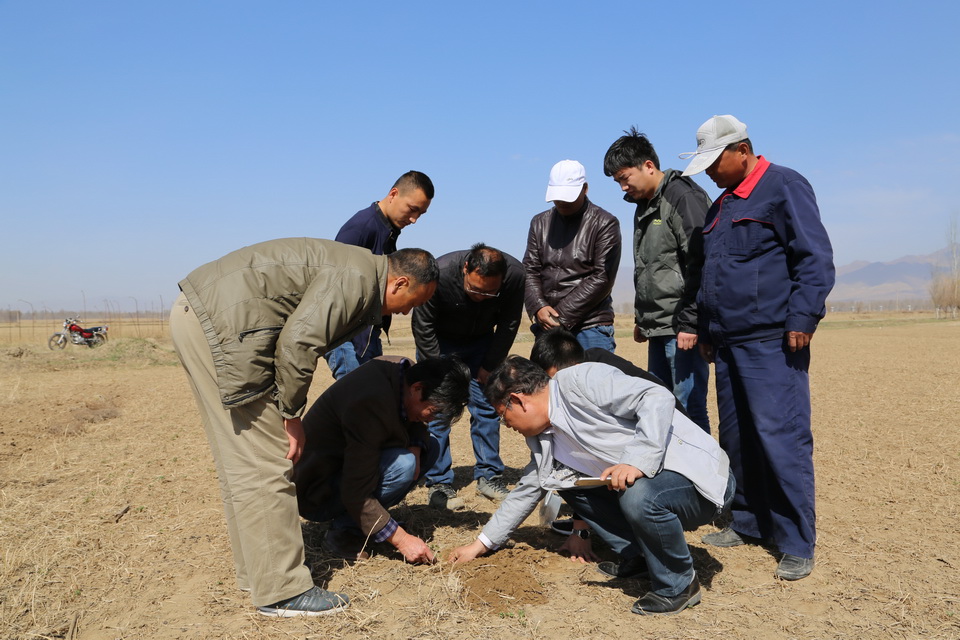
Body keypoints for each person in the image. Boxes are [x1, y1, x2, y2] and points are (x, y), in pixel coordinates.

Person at [169, 238, 439, 617]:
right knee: (268, 464)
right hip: (226, 329)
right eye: (411, 303)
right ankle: (282, 590)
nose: (407, 312)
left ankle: (259, 576)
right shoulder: (358, 279)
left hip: (204, 317)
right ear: (399, 284)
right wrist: (291, 414)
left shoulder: (356, 268)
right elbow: (299, 342)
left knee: (243, 466)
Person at [448, 356, 733, 616]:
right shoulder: (542, 438)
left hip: (698, 480)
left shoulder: (581, 381)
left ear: (518, 400)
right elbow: (527, 491)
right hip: (656, 486)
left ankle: (679, 585)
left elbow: (656, 395)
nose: (506, 425)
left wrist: (637, 460)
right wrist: (480, 545)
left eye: (502, 415)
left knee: (639, 494)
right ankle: (642, 556)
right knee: (573, 485)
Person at [679, 115, 835, 581]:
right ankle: (748, 521)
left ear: (742, 149)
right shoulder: (721, 206)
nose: (708, 171)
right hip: (727, 343)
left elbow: (814, 256)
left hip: (771, 341)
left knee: (780, 437)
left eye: (714, 161)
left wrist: (803, 316)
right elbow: (711, 274)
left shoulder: (784, 186)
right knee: (739, 437)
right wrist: (707, 328)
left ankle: (794, 540)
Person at [294, 355, 471, 563]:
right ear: (417, 389)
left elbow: (412, 422)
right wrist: (402, 539)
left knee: (428, 448)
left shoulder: (403, 375)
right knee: (404, 465)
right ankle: (344, 531)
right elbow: (356, 492)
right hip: (317, 492)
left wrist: (414, 444)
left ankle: (362, 524)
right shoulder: (369, 402)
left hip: (346, 471)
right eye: (433, 411)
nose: (430, 419)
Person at [528, 327, 690, 554]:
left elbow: (592, 453)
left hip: (668, 448)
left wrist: (580, 529)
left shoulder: (593, 377)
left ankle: (648, 532)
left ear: (572, 368)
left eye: (553, 380)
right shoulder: (583, 366)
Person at [603, 128, 713, 432]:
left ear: (648, 166)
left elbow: (701, 262)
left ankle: (705, 477)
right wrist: (643, 318)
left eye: (625, 178)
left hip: (682, 328)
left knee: (688, 409)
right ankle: (672, 476)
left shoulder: (683, 196)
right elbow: (651, 267)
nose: (623, 186)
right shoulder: (643, 204)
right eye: (618, 182)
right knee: (661, 407)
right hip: (660, 326)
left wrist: (691, 322)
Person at [411, 244, 525, 509]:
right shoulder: (439, 271)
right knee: (437, 410)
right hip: (440, 343)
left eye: (490, 292)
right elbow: (423, 324)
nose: (481, 297)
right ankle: (439, 482)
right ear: (465, 269)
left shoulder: (516, 276)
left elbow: (509, 323)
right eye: (475, 289)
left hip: (482, 344)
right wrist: (437, 367)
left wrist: (490, 363)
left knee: (486, 407)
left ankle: (489, 476)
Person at [324, 171, 435, 380]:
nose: (414, 219)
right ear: (393, 194)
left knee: (373, 390)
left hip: (368, 331)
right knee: (356, 394)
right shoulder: (361, 228)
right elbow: (334, 285)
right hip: (346, 335)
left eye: (421, 213)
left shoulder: (388, 230)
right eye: (412, 210)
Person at [523, 159, 621, 352]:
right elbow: (530, 270)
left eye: (568, 196)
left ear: (585, 189)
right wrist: (539, 307)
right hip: (547, 324)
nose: (562, 202)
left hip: (590, 326)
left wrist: (559, 317)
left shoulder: (605, 223)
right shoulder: (539, 223)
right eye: (557, 196)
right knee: (549, 383)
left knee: (594, 382)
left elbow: (602, 277)